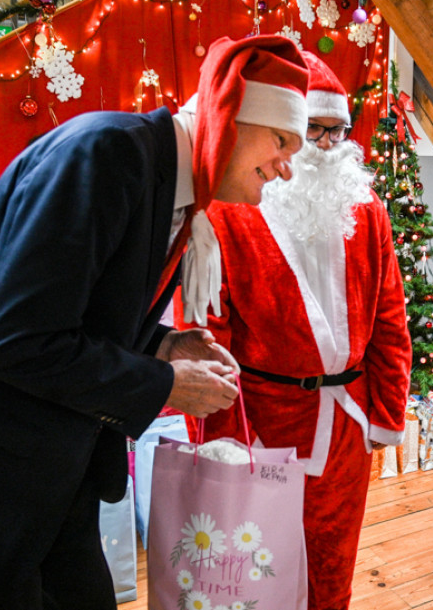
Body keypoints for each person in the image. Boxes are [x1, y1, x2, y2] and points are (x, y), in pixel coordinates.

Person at [0, 35, 311, 609]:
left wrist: (161, 344)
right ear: (229, 114)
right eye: (282, 140)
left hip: (43, 463)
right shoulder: (107, 153)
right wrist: (163, 385)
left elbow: (70, 310)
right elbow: (11, 337)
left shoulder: (162, 178)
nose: (287, 168)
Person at [175, 51, 411, 610]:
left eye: (339, 132)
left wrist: (387, 413)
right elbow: (207, 335)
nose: (328, 146)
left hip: (348, 423)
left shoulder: (366, 207)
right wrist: (223, 443)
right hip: (263, 422)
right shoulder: (230, 211)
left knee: (334, 567)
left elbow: (390, 318)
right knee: (257, 572)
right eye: (315, 131)